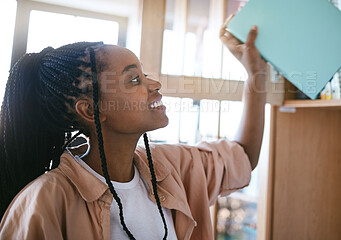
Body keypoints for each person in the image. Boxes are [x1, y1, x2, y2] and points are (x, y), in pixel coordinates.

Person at [0, 15, 267, 239]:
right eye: (134, 79)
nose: (155, 85)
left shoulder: (170, 168)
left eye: (144, 73)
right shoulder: (45, 201)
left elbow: (243, 155)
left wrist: (255, 74)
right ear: (92, 110)